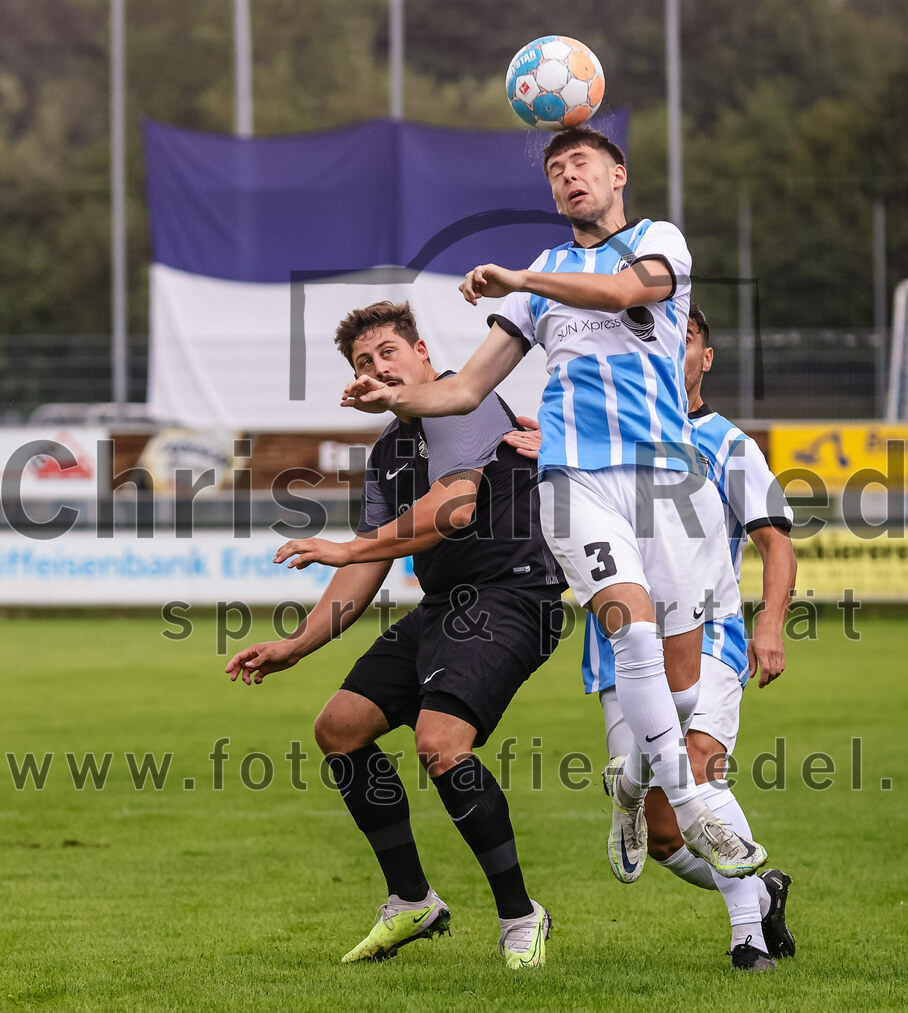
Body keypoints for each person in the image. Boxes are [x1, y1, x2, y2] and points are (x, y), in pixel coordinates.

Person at [342, 126, 766, 881]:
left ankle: (631, 787)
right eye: (557, 171)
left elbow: (628, 291)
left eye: (582, 165)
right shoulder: (543, 270)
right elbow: (465, 388)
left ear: (617, 174)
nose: (569, 179)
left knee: (683, 684)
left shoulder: (655, 242)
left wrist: (523, 281)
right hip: (577, 480)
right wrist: (395, 392)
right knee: (631, 631)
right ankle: (694, 809)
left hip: (667, 482)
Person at [225, 301, 566, 969]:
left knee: (441, 742)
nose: (377, 366)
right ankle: (412, 898)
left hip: (514, 594)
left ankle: (521, 915)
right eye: (362, 361)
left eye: (388, 352)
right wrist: (295, 646)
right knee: (340, 727)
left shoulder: (459, 403)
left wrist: (348, 550)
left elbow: (455, 505)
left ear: (420, 353)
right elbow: (369, 566)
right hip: (448, 604)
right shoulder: (387, 451)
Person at [505, 302, 799, 972]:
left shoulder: (728, 443)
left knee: (697, 765)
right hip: (620, 636)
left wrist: (772, 622)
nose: (672, 348)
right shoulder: (597, 437)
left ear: (705, 356)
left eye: (687, 337)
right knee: (665, 836)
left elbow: (775, 544)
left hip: (711, 628)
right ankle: (756, 883)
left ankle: (746, 937)